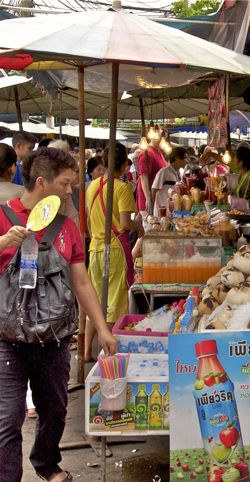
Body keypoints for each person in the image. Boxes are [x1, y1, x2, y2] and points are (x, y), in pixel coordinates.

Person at [0, 147, 117, 482]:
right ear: (42, 182)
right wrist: (3, 242)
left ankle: (46, 462)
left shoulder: (67, 227)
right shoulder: (3, 217)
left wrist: (102, 328)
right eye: (65, 184)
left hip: (54, 339)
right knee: (7, 419)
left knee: (54, 410)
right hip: (8, 339)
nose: (70, 191)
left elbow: (82, 281)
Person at [85, 143, 142, 361]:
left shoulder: (93, 185)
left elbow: (89, 222)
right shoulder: (122, 188)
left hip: (95, 249)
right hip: (115, 251)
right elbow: (126, 223)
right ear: (124, 163)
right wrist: (140, 227)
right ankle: (107, 353)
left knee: (95, 301)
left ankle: (86, 351)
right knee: (113, 304)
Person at [136, 133, 167, 215]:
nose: (164, 137)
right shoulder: (147, 153)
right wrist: (148, 198)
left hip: (158, 198)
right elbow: (143, 177)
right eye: (162, 135)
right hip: (149, 199)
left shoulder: (159, 152)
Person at [151, 146, 187, 217]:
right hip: (163, 213)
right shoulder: (163, 172)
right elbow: (154, 190)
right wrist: (152, 210)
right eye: (185, 158)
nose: (187, 161)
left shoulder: (179, 174)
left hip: (174, 213)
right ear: (177, 158)